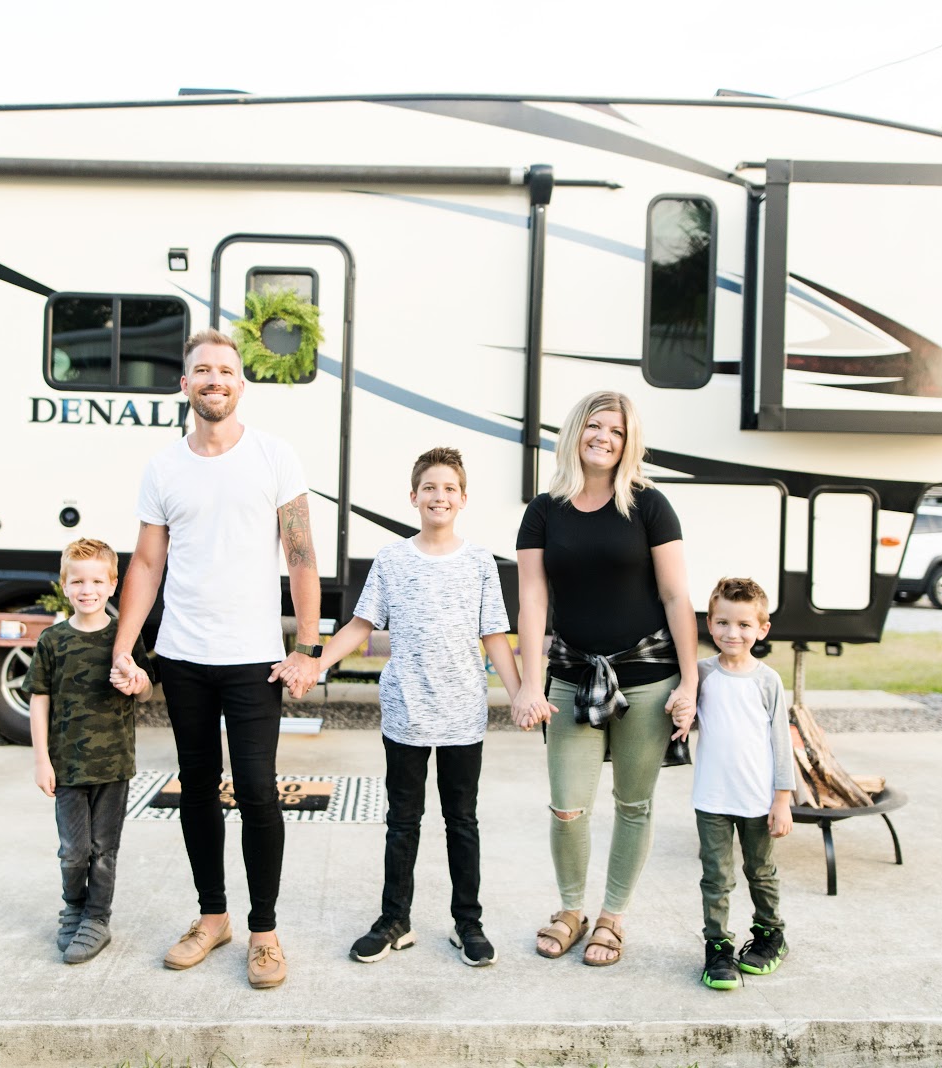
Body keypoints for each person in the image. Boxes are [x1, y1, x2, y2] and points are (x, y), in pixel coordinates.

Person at [110, 328, 323, 991]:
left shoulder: (274, 457)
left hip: (254, 659)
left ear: (240, 383)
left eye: (225, 371)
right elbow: (147, 562)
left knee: (258, 791)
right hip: (183, 656)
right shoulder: (164, 467)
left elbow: (301, 556)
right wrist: (125, 644)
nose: (214, 380)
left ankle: (264, 931)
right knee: (196, 790)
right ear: (186, 385)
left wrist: (308, 647)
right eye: (201, 371)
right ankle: (213, 918)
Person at [311, 447, 521, 967]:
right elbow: (361, 626)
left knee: (462, 821)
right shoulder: (392, 559)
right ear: (413, 497)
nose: (439, 496)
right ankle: (394, 920)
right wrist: (317, 662)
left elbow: (496, 635)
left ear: (463, 499)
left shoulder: (480, 563)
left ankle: (467, 923)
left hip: (462, 717)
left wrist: (521, 695)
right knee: (403, 820)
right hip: (405, 711)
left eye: (449, 488)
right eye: (430, 487)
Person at [511, 390, 700, 967]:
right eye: (594, 427)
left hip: (646, 678)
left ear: (628, 441)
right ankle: (572, 909)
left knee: (633, 804)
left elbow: (675, 596)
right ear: (576, 432)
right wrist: (526, 683)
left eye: (616, 432)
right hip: (571, 678)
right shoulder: (544, 510)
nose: (604, 438)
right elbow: (533, 603)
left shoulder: (649, 506)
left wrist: (690, 682)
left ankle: (613, 917)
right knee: (568, 805)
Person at [25, 537, 152, 965]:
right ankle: (73, 908)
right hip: (67, 768)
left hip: (114, 765)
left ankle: (98, 918)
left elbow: (147, 687)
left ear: (113, 585)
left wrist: (137, 680)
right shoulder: (53, 641)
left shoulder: (123, 637)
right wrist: (42, 758)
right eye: (78, 581)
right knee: (73, 851)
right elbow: (39, 698)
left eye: (98, 580)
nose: (87, 589)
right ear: (64, 585)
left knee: (103, 849)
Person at [673, 576, 794, 990]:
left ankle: (769, 934)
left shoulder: (767, 681)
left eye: (744, 625)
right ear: (710, 624)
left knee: (760, 870)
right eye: (723, 623)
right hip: (712, 797)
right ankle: (718, 946)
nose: (732, 633)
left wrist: (782, 798)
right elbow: (683, 717)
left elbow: (781, 741)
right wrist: (678, 713)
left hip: (758, 799)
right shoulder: (701, 674)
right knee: (716, 876)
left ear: (762, 629)